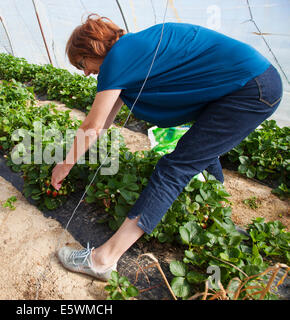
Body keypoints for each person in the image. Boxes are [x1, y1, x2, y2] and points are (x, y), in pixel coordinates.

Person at [50, 14, 283, 281]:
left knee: (175, 167)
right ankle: (216, 214)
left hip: (251, 88)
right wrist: (75, 157)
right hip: (253, 83)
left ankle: (103, 260)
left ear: (93, 47)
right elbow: (103, 124)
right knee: (197, 150)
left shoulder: (119, 57)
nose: (87, 72)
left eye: (82, 63)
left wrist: (64, 165)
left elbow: (91, 125)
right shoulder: (133, 50)